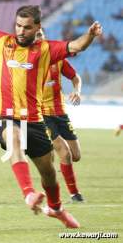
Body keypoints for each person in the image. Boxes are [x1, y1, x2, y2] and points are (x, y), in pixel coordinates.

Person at [0, 5, 102, 228]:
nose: (21, 31)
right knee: (14, 138)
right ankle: (28, 193)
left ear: (38, 27)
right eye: (18, 25)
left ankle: (56, 209)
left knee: (48, 173)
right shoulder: (0, 40)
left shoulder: (47, 49)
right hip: (5, 116)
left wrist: (91, 35)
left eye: (27, 27)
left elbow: (77, 45)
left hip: (35, 120)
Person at [37, 29, 85, 203]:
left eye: (41, 34)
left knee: (76, 155)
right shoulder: (29, 62)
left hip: (60, 112)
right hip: (43, 115)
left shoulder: (58, 60)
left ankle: (49, 151)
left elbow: (75, 77)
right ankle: (75, 195)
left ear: (44, 37)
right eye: (36, 35)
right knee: (64, 154)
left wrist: (77, 91)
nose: (39, 37)